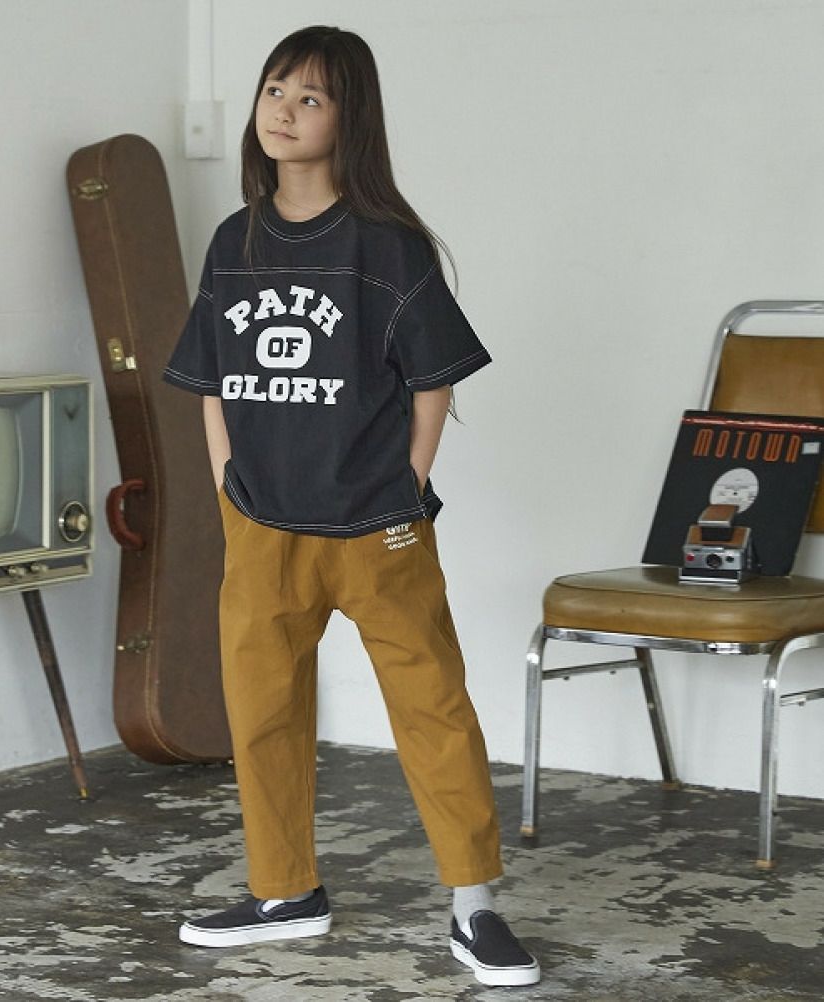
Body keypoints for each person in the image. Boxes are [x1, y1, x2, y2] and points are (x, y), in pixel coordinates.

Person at [163, 25, 540, 990]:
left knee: (433, 706)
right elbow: (212, 379)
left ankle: (475, 907)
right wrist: (228, 485)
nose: (284, 111)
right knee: (262, 711)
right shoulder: (234, 241)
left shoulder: (385, 245)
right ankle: (283, 891)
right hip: (264, 523)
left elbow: (432, 379)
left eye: (311, 98)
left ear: (349, 119)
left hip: (377, 527)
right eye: (274, 90)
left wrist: (407, 482)